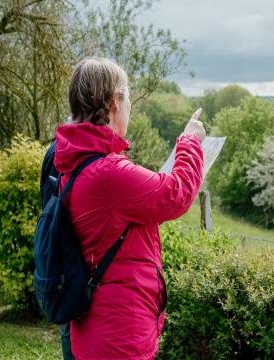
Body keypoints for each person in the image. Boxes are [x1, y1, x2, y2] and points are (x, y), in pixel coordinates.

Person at [43, 57, 204, 359]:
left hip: (94, 325)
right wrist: (190, 142)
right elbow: (177, 194)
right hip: (118, 335)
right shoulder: (108, 173)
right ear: (115, 102)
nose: (129, 103)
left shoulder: (74, 161)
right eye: (127, 95)